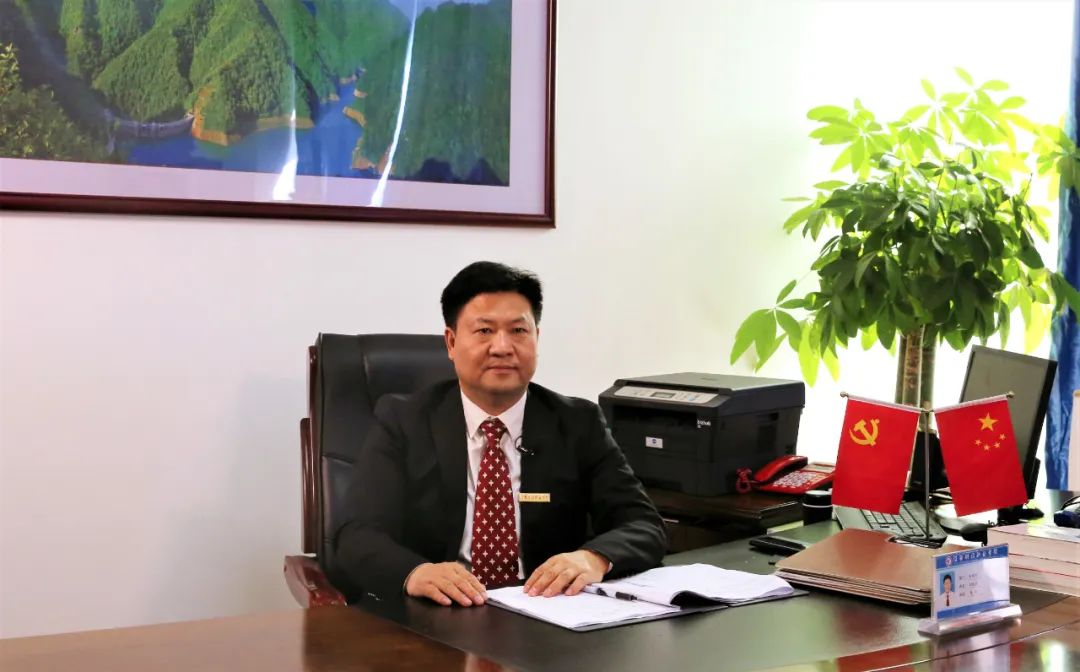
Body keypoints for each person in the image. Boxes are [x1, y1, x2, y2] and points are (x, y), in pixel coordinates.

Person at [332, 261, 666, 606]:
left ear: (537, 339)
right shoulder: (404, 420)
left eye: (518, 331)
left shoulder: (578, 422)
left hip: (546, 611)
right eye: (484, 331)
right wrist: (416, 573)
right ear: (451, 342)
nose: (503, 347)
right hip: (438, 611)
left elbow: (644, 524)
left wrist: (593, 558)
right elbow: (356, 535)